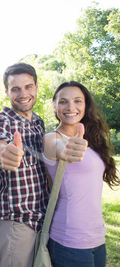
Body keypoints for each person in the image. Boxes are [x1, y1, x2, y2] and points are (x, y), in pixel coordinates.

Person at [42, 81, 119, 266]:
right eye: (63, 102)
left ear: (85, 105)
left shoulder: (90, 140)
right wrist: (68, 149)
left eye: (77, 101)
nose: (71, 107)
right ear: (55, 106)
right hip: (69, 240)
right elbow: (60, 148)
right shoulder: (52, 139)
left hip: (98, 238)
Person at [0, 63, 50, 267]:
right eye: (15, 89)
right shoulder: (1, 120)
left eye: (28, 87)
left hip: (42, 219)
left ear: (37, 86)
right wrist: (5, 154)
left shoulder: (38, 123)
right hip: (16, 222)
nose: (23, 94)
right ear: (7, 92)